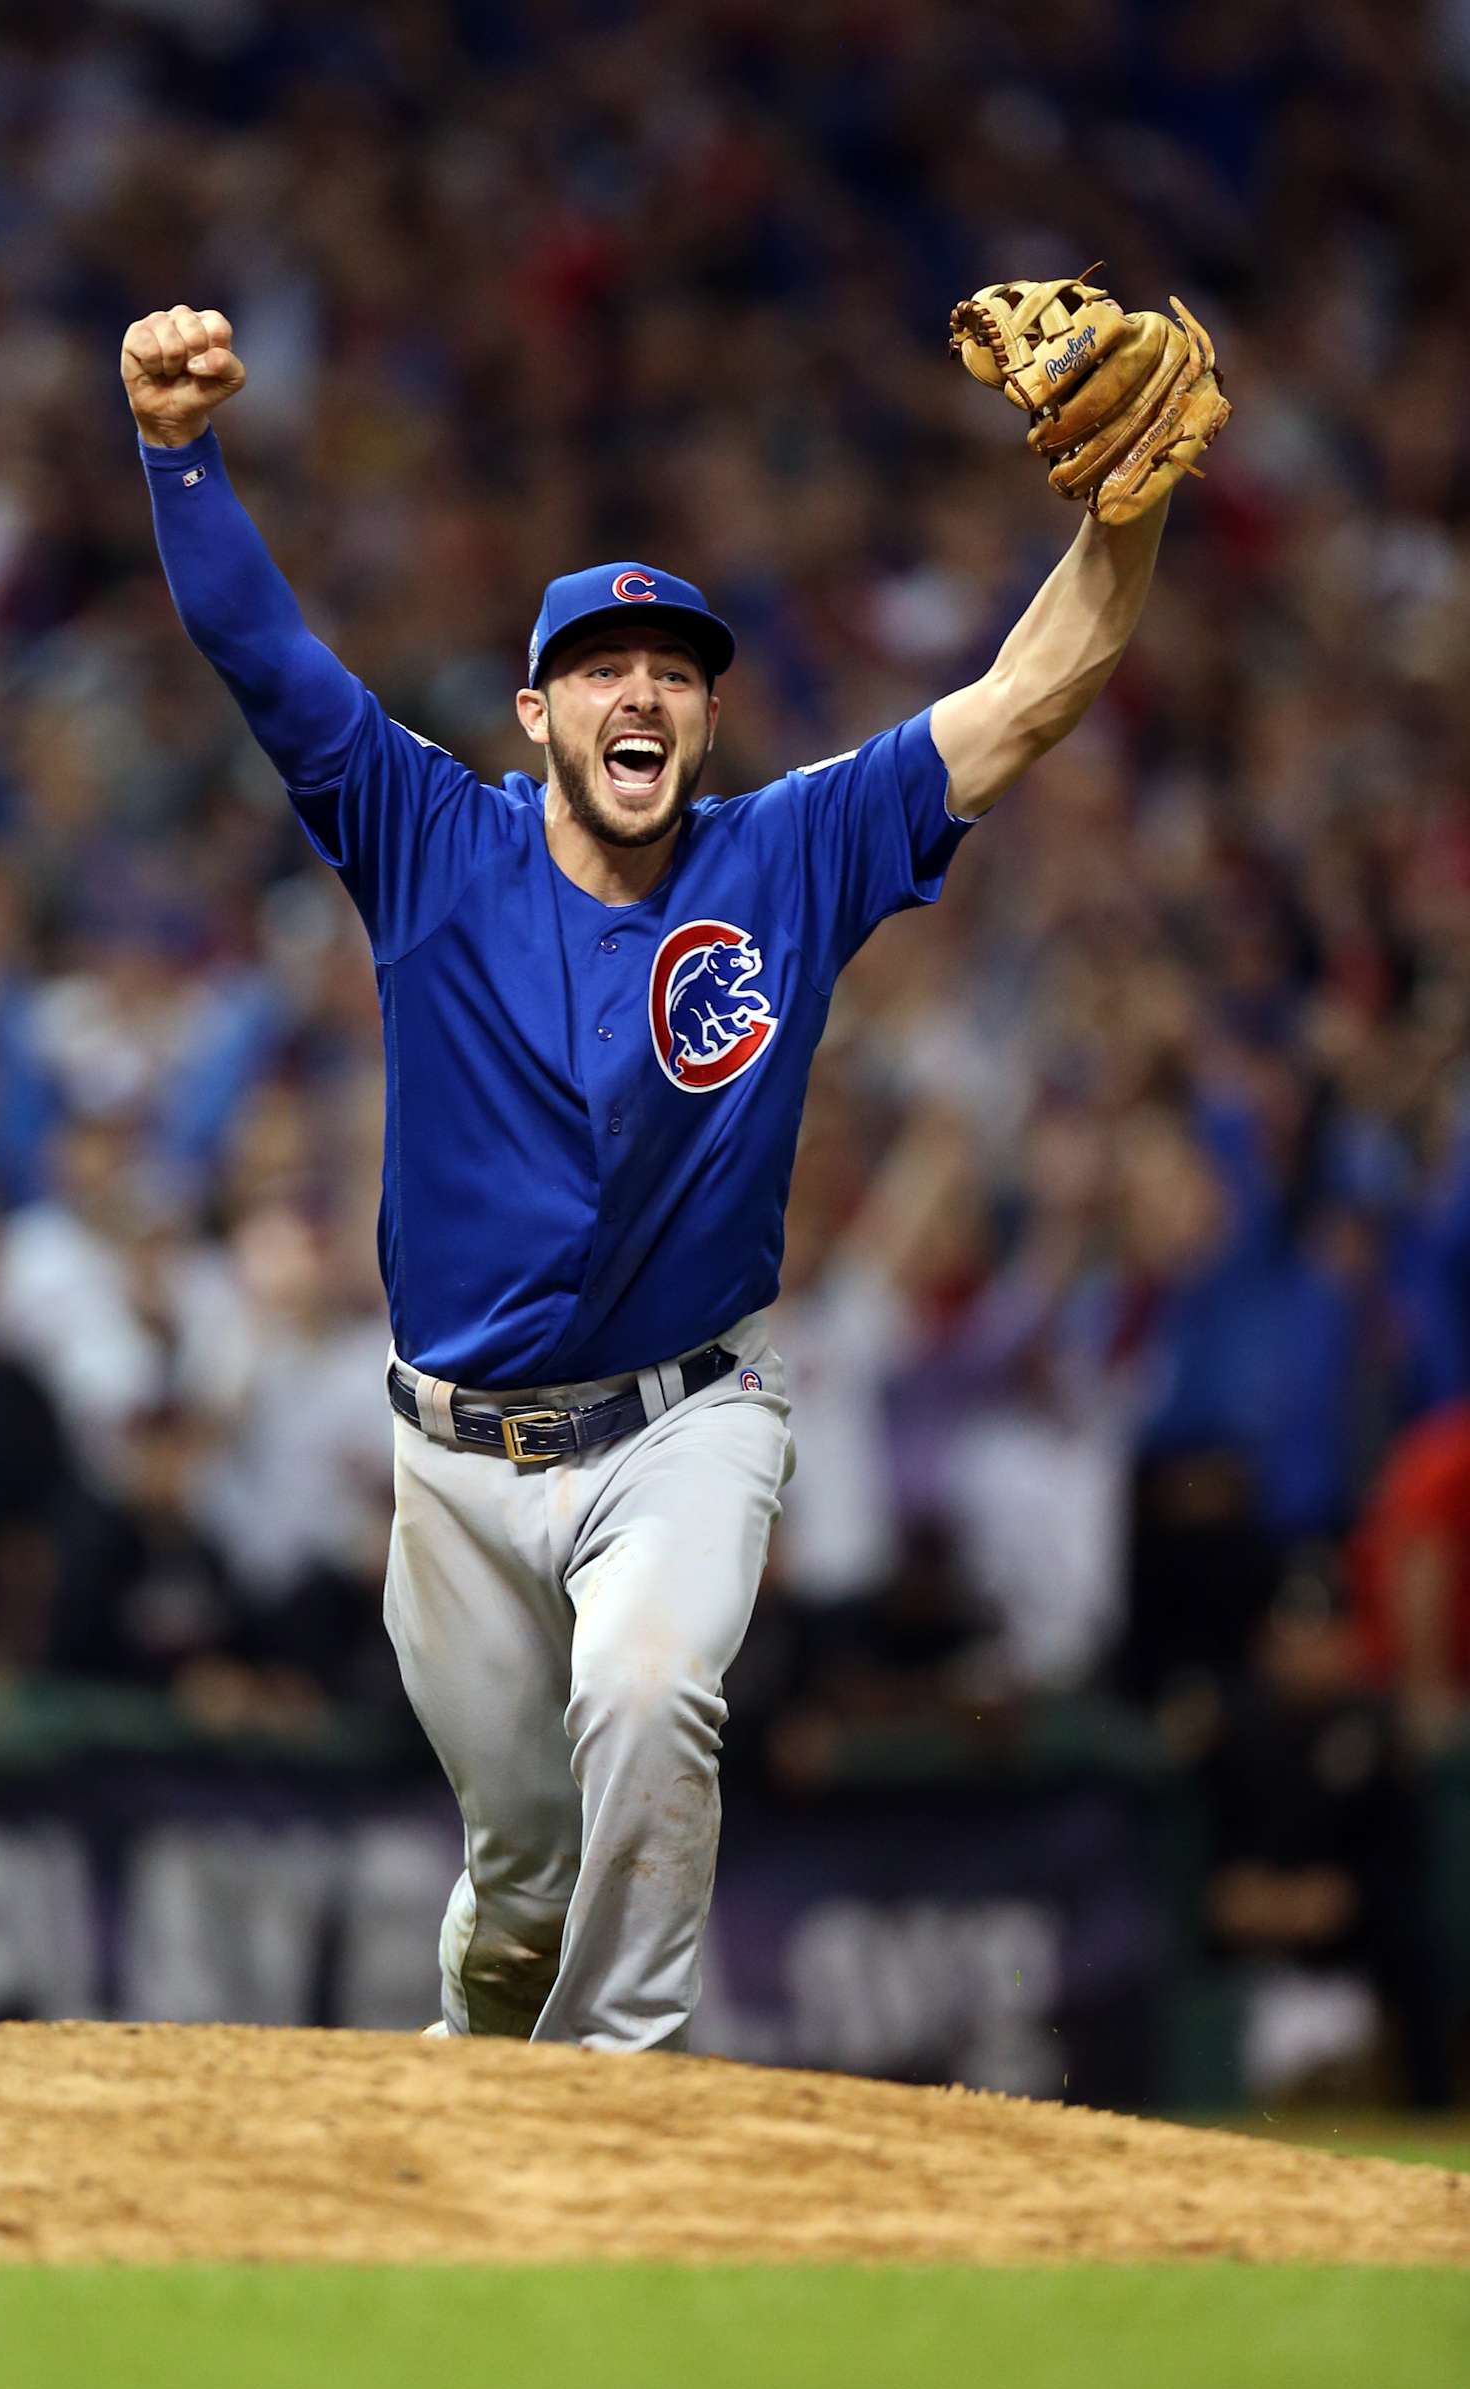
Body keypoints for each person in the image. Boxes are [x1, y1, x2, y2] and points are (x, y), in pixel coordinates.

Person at [124, 301, 1172, 2050]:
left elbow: (1026, 698)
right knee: (522, 1878)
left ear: (705, 715)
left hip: (685, 1418)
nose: (642, 691)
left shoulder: (790, 854)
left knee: (650, 1682)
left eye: (675, 670)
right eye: (604, 666)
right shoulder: (426, 837)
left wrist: (1124, 523)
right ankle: (495, 2048)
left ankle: (619, 2090)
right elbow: (259, 646)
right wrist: (178, 455)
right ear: (537, 711)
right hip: (455, 1455)